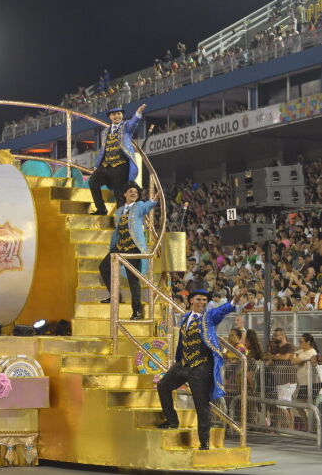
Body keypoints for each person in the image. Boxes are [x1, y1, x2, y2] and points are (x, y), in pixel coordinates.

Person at [156, 282, 240, 450]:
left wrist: (233, 302)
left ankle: (204, 442)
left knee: (201, 404)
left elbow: (220, 311)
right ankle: (172, 421)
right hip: (184, 364)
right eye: (199, 299)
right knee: (163, 386)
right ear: (191, 301)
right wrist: (178, 360)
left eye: (204, 300)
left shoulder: (207, 317)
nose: (202, 302)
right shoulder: (185, 317)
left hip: (201, 367)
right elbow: (182, 341)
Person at [98, 183, 158, 320]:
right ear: (124, 194)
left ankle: (137, 311)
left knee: (133, 279)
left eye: (135, 192)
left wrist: (154, 200)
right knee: (104, 267)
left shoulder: (139, 206)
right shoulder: (119, 211)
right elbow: (118, 229)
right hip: (119, 246)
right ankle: (115, 296)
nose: (133, 193)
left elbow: (148, 206)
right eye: (130, 191)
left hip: (133, 246)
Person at [88, 104, 146, 215]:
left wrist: (138, 113)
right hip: (105, 166)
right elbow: (103, 149)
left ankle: (121, 218)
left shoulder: (126, 127)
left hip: (121, 166)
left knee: (119, 193)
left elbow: (134, 123)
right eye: (114, 114)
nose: (117, 116)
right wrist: (96, 165)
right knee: (93, 182)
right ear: (110, 117)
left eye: (119, 114)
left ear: (122, 115)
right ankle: (101, 209)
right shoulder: (104, 132)